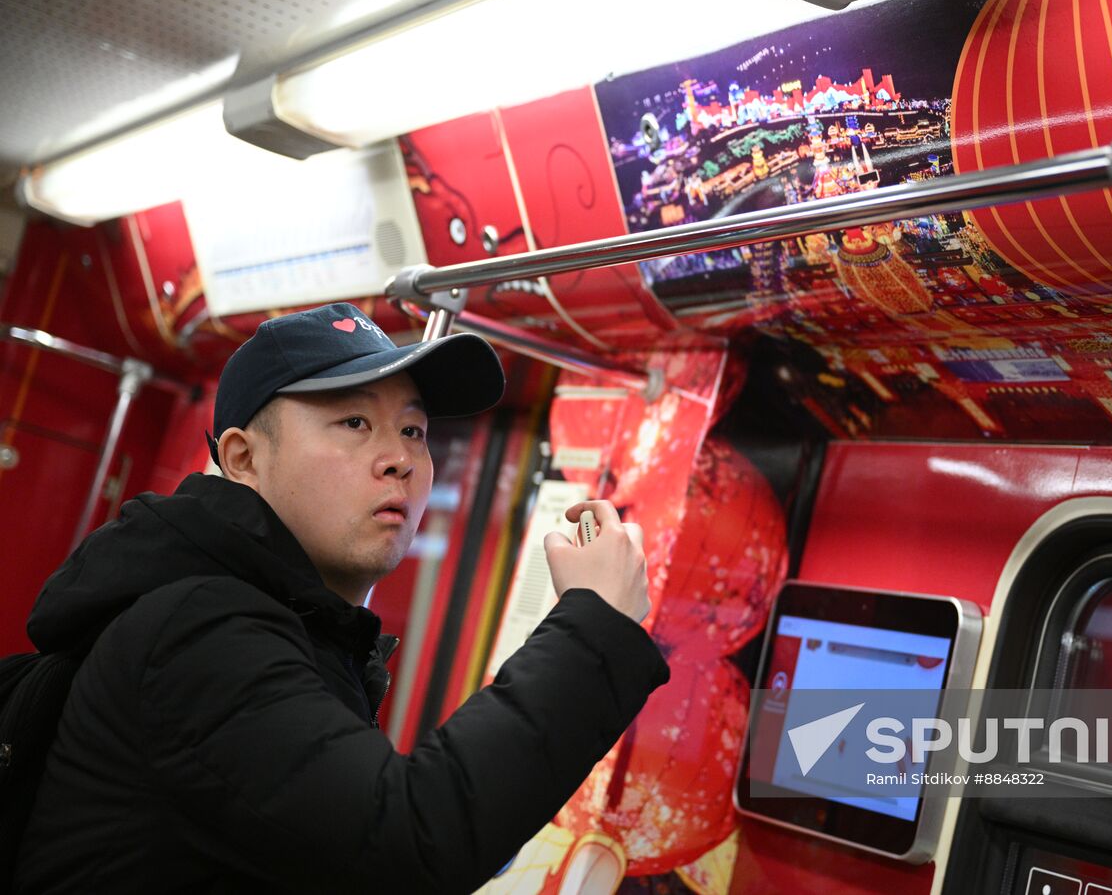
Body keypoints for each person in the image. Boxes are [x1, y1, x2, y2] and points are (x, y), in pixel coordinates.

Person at [14, 303, 669, 894]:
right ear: (243, 458)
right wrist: (595, 625)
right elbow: (407, 840)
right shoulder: (197, 630)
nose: (400, 459)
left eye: (413, 430)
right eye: (354, 421)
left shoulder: (296, 630)